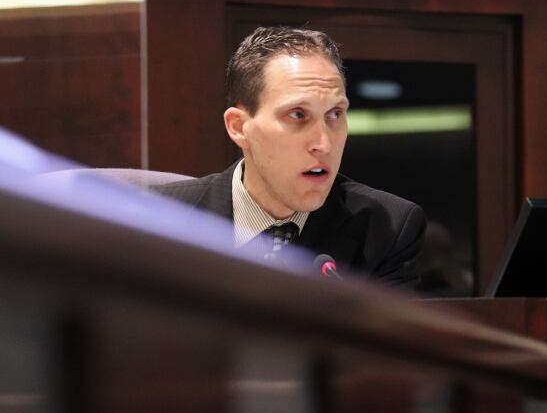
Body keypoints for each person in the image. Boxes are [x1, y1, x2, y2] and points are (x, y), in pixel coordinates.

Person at [153, 26, 426, 289]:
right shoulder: (159, 217)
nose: (324, 143)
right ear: (238, 127)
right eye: (298, 115)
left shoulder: (388, 228)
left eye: (335, 114)